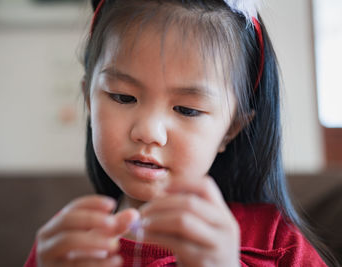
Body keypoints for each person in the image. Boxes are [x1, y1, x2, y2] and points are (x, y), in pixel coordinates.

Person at [24, 0, 337, 266]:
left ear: (230, 130)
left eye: (187, 109)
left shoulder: (276, 243)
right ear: (90, 99)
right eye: (123, 97)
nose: (149, 132)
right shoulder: (70, 246)